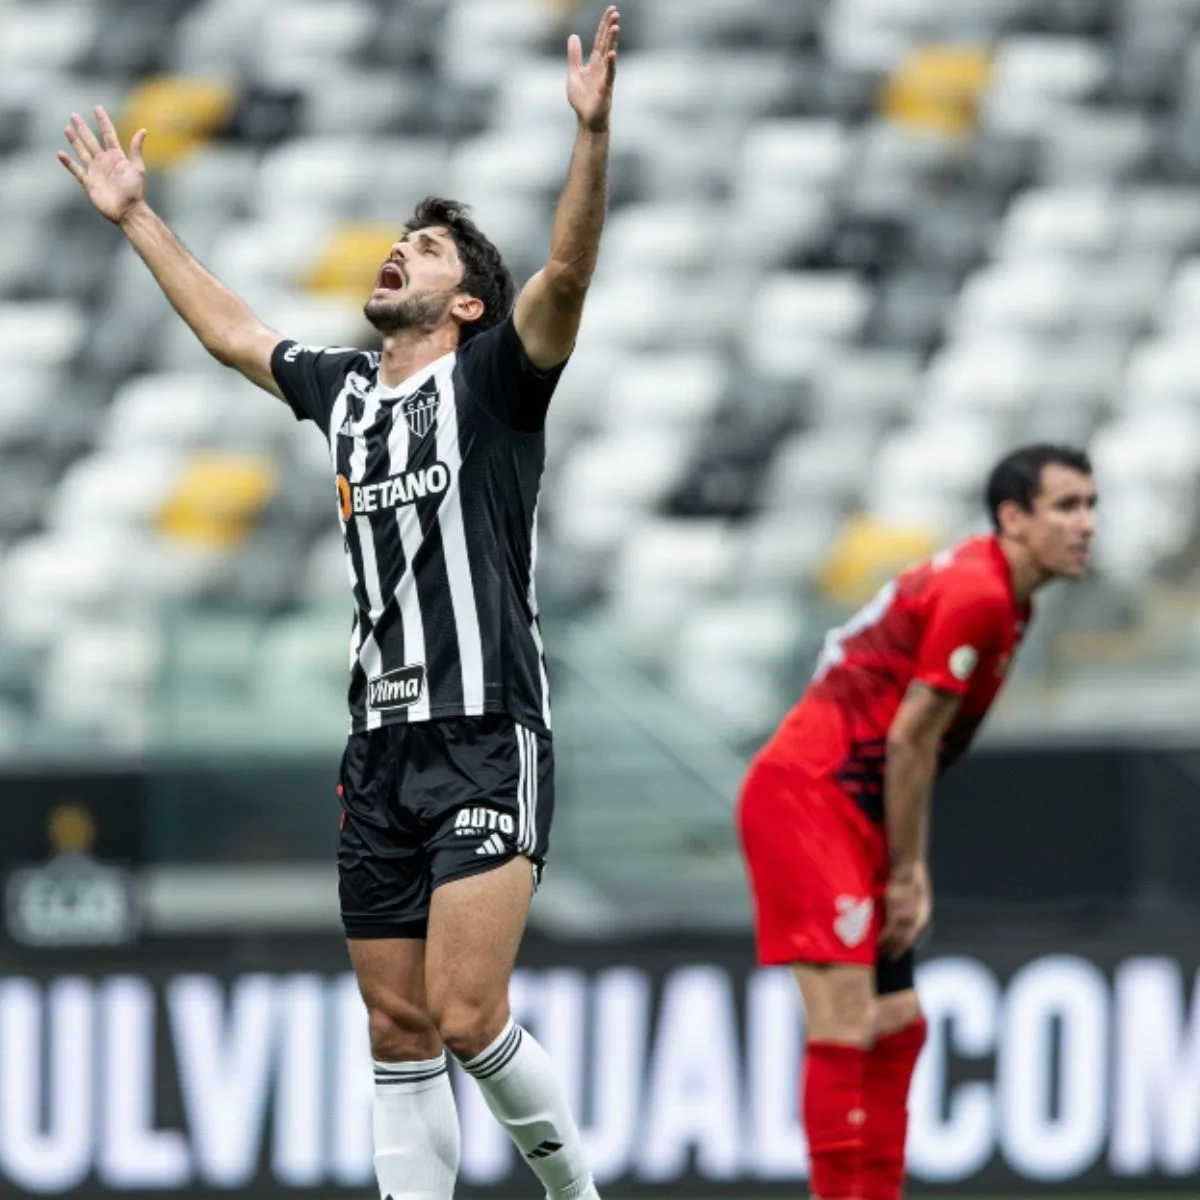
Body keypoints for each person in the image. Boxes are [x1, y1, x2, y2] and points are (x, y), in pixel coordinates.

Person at [58, 9, 620, 1200]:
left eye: (429, 248)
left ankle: (578, 1195)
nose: (400, 252)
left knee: (470, 1014)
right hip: (379, 749)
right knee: (397, 1030)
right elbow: (232, 331)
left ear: (469, 303)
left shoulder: (497, 386)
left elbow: (566, 275)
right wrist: (135, 216)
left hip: (483, 733)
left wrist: (592, 136)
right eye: (402, 239)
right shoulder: (348, 392)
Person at [736, 444, 1098, 1200]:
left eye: (1090, 505)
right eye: (1067, 506)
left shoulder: (1006, 595)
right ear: (1013, 517)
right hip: (812, 796)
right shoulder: (982, 595)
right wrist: (908, 873)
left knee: (898, 1019)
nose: (1087, 524)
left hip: (853, 801)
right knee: (844, 1023)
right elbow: (909, 740)